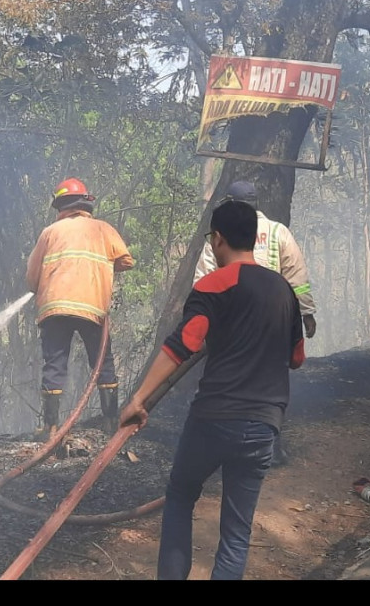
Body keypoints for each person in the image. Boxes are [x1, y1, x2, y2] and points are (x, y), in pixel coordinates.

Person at [120, 199, 306, 580]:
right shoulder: (285, 291)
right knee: (236, 533)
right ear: (253, 237)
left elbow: (184, 343)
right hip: (264, 425)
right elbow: (297, 358)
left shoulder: (214, 284)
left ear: (218, 239)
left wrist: (138, 399)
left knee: (180, 494)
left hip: (215, 417)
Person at [192, 179, 316, 466]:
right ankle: (270, 445)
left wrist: (201, 320)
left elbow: (203, 280)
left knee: (227, 380)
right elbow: (296, 276)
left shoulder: (220, 234)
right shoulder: (277, 232)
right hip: (272, 321)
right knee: (271, 384)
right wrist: (306, 313)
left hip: (231, 323)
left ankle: (220, 446)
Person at [26, 177, 134, 438]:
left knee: (54, 364)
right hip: (92, 307)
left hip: (54, 308)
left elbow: (31, 278)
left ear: (60, 205)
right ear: (86, 203)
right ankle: (111, 422)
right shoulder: (104, 230)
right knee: (102, 362)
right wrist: (101, 267)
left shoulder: (50, 232)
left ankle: (50, 427)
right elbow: (126, 261)